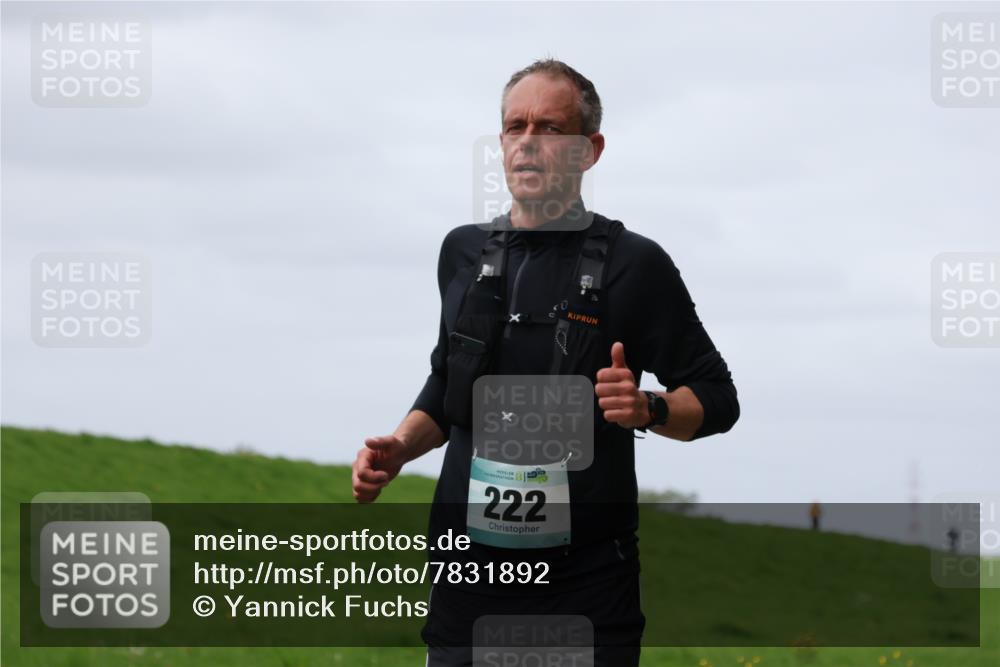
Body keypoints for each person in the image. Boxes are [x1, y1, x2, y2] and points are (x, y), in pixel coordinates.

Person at [352, 59, 740, 667]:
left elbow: (717, 398)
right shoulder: (462, 252)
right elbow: (446, 383)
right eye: (515, 126)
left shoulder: (635, 266)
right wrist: (401, 446)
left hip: (582, 585)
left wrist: (648, 407)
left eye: (551, 129)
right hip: (467, 575)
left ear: (590, 150)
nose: (529, 142)